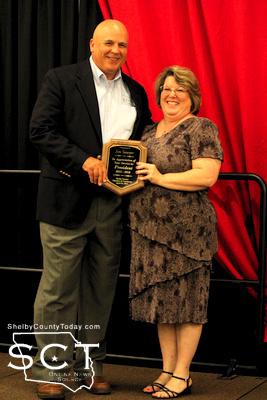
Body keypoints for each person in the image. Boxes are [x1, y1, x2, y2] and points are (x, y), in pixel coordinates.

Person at [29, 19, 152, 399]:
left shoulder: (135, 90)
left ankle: (89, 367)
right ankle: (50, 369)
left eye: (123, 45)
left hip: (113, 204)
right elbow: (41, 131)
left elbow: (142, 138)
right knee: (59, 289)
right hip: (66, 200)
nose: (116, 50)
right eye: (109, 43)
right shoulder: (62, 79)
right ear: (92, 44)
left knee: (100, 290)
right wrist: (83, 160)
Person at [128, 65, 223, 398]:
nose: (171, 94)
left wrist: (158, 178)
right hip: (148, 232)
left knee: (188, 304)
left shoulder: (201, 128)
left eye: (179, 89)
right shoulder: (149, 133)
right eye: (167, 88)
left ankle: (183, 375)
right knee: (163, 305)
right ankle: (167, 370)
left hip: (187, 236)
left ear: (192, 96)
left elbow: (207, 176)